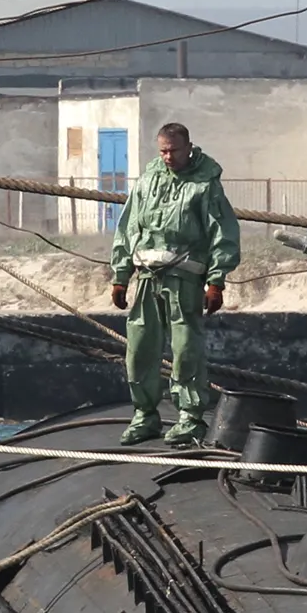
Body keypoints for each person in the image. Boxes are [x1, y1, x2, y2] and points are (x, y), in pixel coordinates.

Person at [109, 122, 242, 446]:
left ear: (188, 147)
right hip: (147, 280)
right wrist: (121, 276)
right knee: (139, 351)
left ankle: (190, 417)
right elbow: (128, 228)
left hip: (184, 279)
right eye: (163, 151)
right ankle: (144, 415)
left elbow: (222, 233)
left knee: (185, 352)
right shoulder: (147, 181)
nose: (168, 156)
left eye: (174, 150)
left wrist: (216, 281)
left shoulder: (204, 184)